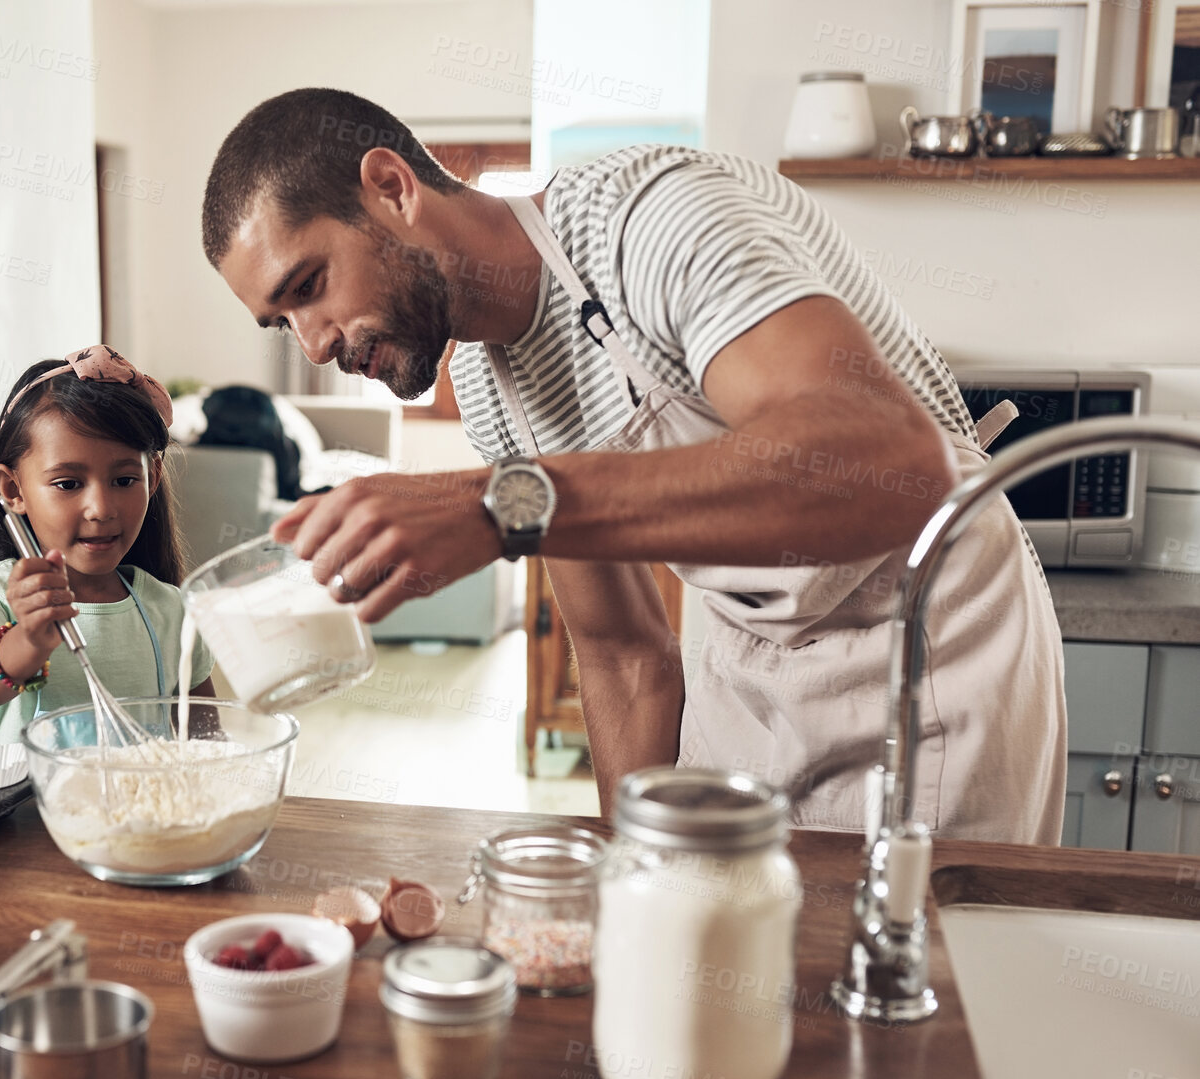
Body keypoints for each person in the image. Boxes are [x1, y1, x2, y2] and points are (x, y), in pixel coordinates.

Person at [200, 89, 1065, 844]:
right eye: (282, 324)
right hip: (747, 661)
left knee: (901, 1007)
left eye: (307, 286)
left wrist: (505, 503)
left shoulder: (649, 220)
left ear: (391, 189)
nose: (314, 347)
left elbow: (889, 470)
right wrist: (626, 878)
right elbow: (622, 657)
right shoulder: (489, 386)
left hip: (928, 644)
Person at [0, 345, 215, 747]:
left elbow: (207, 737)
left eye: (124, 480)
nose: (101, 509)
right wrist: (30, 639)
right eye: (68, 484)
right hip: (29, 810)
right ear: (12, 489)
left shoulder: (172, 610)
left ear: (153, 476)